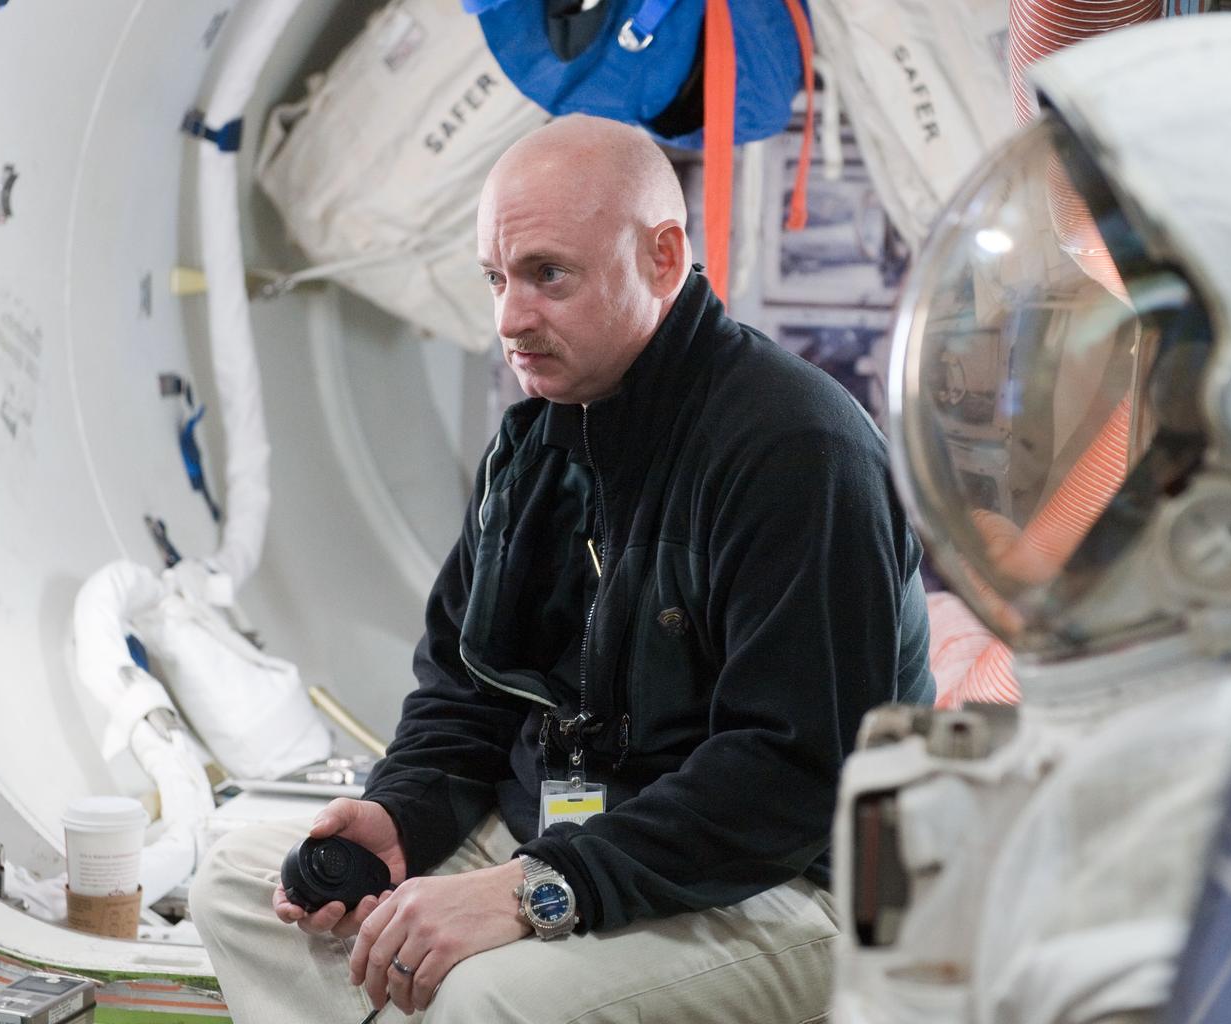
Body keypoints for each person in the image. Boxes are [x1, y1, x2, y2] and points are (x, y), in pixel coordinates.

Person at [190, 113, 933, 1024]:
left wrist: (528, 890)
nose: (508, 318)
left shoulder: (796, 452)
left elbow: (796, 775)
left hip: (789, 878)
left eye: (548, 275)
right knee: (235, 884)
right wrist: (402, 815)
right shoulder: (535, 442)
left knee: (492, 997)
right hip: (577, 840)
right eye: (496, 279)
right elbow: (466, 688)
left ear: (662, 259)